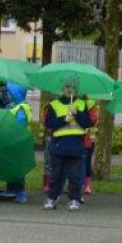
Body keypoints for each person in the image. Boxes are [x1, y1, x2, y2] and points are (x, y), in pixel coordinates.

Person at [43, 76, 90, 211]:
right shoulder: (54, 105)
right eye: (68, 87)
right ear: (62, 88)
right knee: (56, 175)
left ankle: (74, 199)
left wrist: (77, 114)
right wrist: (64, 119)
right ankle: (52, 198)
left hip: (76, 145)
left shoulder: (81, 104)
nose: (70, 90)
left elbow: (87, 123)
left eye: (73, 87)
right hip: (59, 145)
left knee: (76, 176)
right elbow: (49, 123)